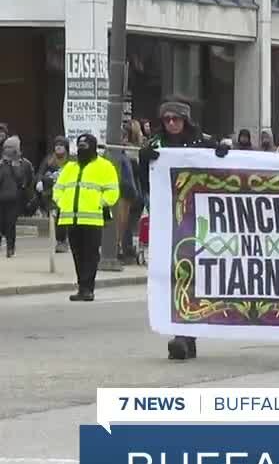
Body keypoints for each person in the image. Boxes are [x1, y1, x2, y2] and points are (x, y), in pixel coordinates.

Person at [139, 99, 219, 360]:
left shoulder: (202, 141)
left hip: (199, 218)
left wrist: (221, 152)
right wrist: (143, 160)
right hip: (169, 220)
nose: (171, 123)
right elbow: (146, 183)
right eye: (167, 119)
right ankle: (181, 334)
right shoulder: (156, 145)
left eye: (176, 119)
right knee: (173, 275)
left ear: (186, 120)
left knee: (195, 275)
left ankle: (187, 334)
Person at [52, 134, 120, 301]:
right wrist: (61, 202)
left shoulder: (105, 166)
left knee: (90, 255)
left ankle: (88, 288)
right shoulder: (70, 167)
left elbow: (113, 191)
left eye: (85, 146)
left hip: (92, 218)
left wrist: (99, 203)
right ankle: (82, 287)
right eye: (80, 146)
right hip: (71, 218)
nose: (82, 150)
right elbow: (58, 188)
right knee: (77, 255)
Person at [0, 135, 35, 258]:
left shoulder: (24, 164)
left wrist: (14, 165)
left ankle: (10, 248)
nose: (7, 150)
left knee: (10, 224)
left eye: (10, 147)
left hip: (14, 199)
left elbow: (26, 180)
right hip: (1, 198)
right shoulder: (1, 163)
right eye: (6, 147)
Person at [37, 137, 71, 252]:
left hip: (67, 193)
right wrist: (39, 181)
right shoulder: (49, 160)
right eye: (56, 145)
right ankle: (59, 240)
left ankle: (63, 241)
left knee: (64, 218)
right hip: (51, 193)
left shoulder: (70, 161)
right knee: (56, 218)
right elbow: (40, 172)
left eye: (61, 145)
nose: (58, 147)